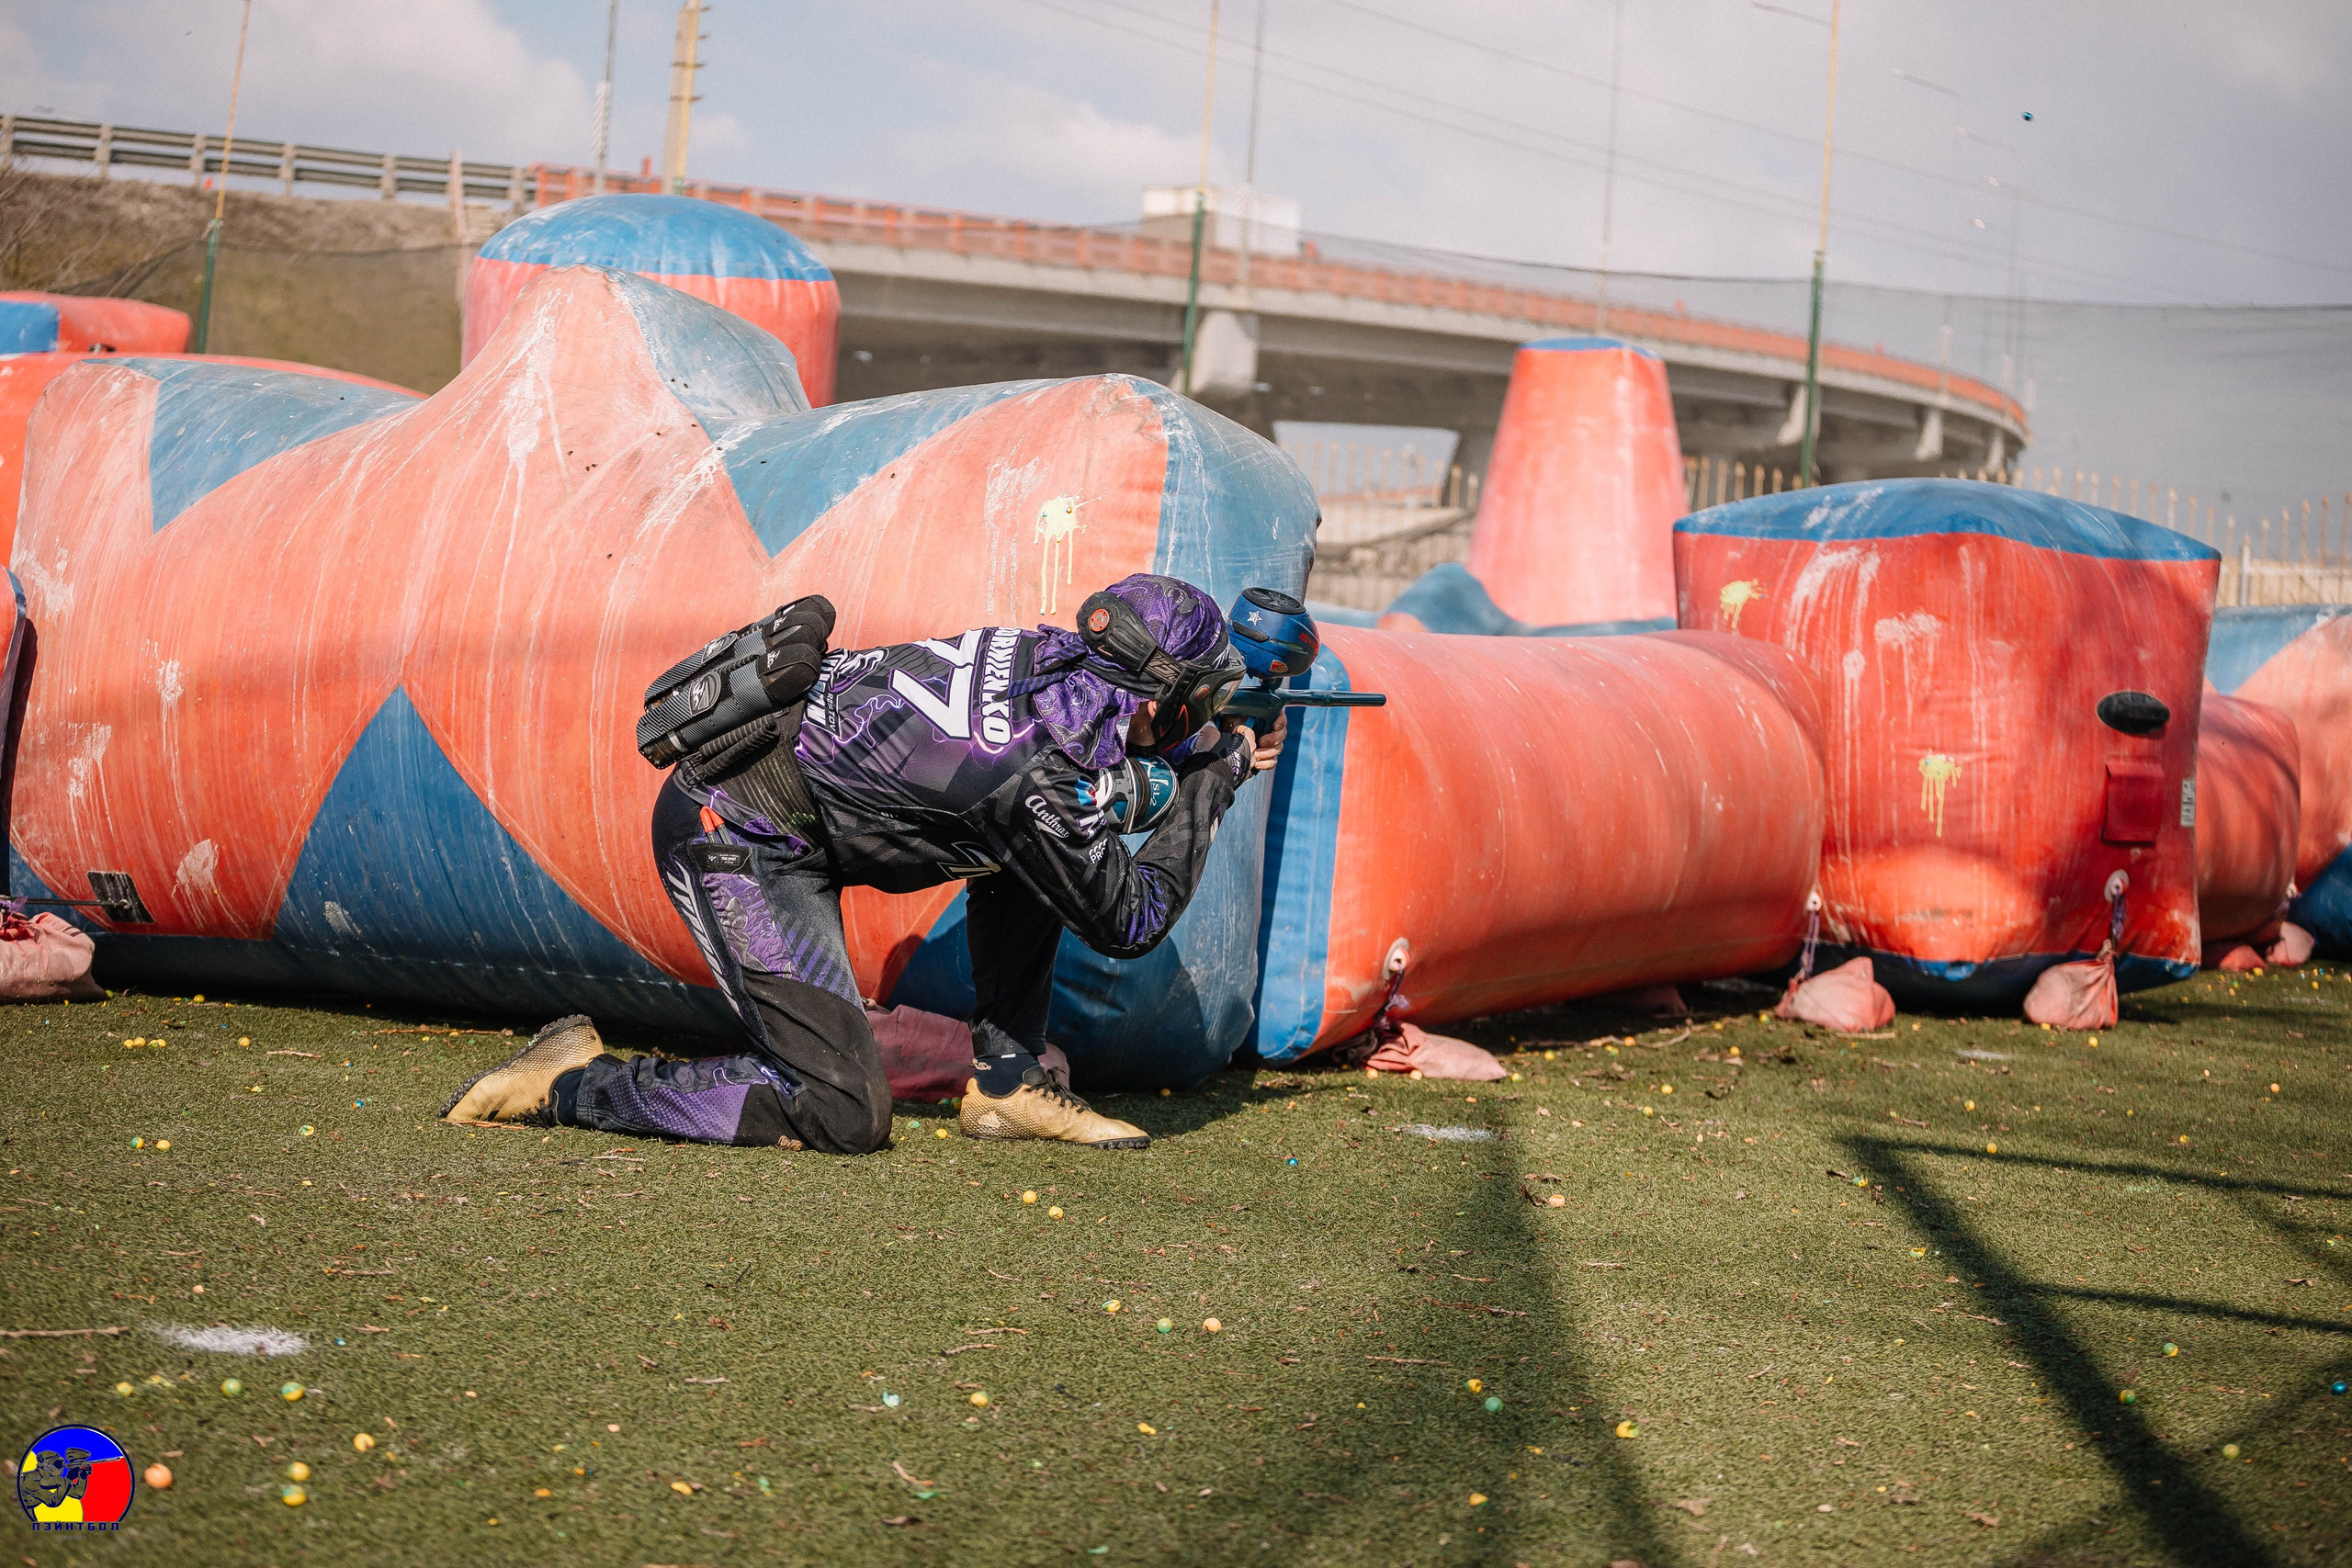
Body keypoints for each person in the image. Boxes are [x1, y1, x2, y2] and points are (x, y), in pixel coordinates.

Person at [442, 573, 1284, 1155]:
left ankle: (1009, 1082)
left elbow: (1061, 802)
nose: (1201, 714)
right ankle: (575, 1082)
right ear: (1148, 696)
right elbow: (1126, 917)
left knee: (1030, 853)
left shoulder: (1051, 659)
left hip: (791, 796)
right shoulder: (1034, 772)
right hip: (735, 831)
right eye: (1199, 699)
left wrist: (1189, 762)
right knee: (841, 1108)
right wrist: (1214, 778)